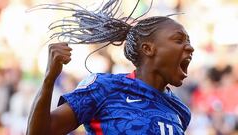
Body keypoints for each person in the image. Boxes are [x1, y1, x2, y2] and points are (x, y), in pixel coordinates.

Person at [26, 0, 194, 134]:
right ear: (148, 49)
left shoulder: (181, 110)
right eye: (179, 40)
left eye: (189, 42)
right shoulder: (104, 87)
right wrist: (49, 79)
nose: (190, 47)